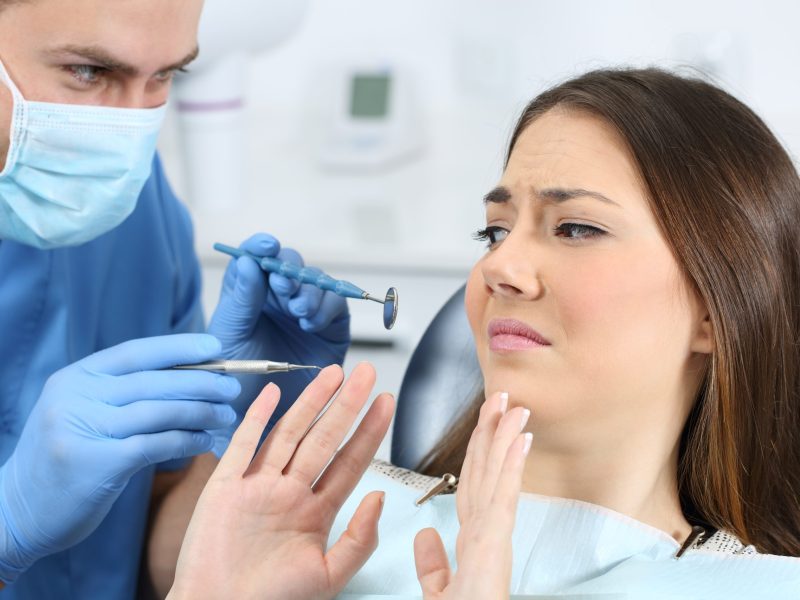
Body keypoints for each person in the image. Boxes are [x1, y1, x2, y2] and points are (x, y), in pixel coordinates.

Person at [164, 68, 800, 598]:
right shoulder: (319, 518)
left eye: (576, 228)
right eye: (494, 231)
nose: (497, 266)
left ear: (718, 310)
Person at [0, 1, 350, 598]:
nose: (129, 124)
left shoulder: (131, 201)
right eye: (88, 71)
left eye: (166, 75)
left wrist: (250, 430)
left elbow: (161, 553)